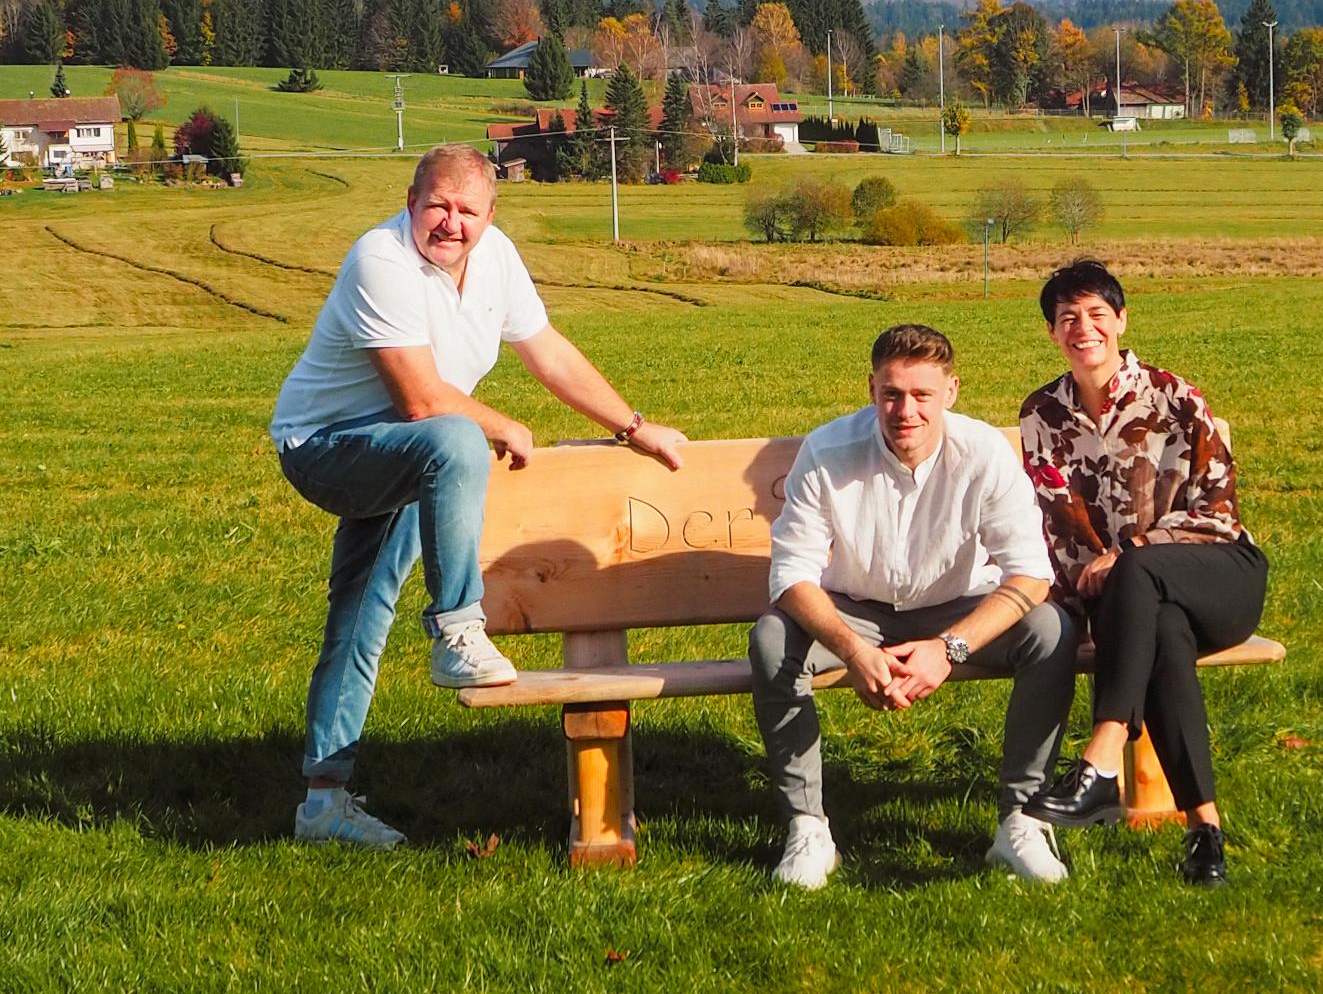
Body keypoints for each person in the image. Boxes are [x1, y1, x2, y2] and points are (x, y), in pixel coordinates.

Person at [270, 143, 686, 849]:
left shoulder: (496, 260)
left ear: (491, 216)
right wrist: (502, 425)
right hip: (326, 447)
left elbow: (546, 350)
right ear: (411, 203)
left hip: (411, 452)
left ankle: (323, 802)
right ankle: (458, 630)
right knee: (458, 439)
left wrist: (634, 427)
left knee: (362, 612)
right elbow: (421, 401)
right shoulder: (380, 260)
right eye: (437, 205)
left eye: (467, 210)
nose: (451, 222)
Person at [749, 324, 1078, 888]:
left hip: (958, 607)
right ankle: (807, 827)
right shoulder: (827, 451)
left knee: (1050, 630)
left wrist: (949, 649)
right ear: (871, 389)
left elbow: (1030, 575)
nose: (906, 411)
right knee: (772, 639)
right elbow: (791, 574)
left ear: (951, 391)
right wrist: (853, 650)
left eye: (922, 395)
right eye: (892, 394)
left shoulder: (985, 453)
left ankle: (1021, 821)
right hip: (854, 607)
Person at [1018, 259, 1267, 886]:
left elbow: (1216, 511)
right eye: (1068, 318)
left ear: (1122, 320)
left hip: (1219, 577)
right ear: (1052, 332)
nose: (1083, 328)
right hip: (1132, 603)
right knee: (1162, 636)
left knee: (1137, 572)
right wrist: (1088, 604)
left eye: (1097, 314)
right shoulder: (1041, 414)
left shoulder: (1175, 397)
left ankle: (1101, 758)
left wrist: (1130, 549)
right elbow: (1058, 525)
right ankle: (1205, 833)